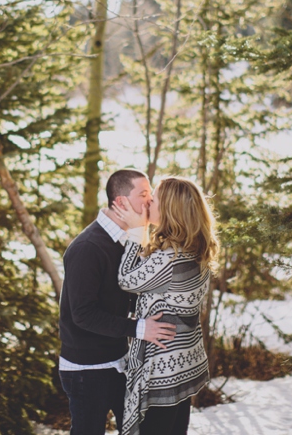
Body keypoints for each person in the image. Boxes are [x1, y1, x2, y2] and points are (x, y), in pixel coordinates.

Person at [59, 168, 178, 435]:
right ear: (122, 202)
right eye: (143, 194)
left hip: (118, 361)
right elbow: (83, 314)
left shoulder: (128, 240)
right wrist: (139, 328)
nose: (149, 201)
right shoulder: (88, 247)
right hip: (86, 369)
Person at [112, 176, 219, 435]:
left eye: (155, 198)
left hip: (163, 370)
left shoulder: (171, 259)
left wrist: (137, 231)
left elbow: (127, 279)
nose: (149, 201)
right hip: (184, 362)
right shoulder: (193, 249)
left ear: (171, 209)